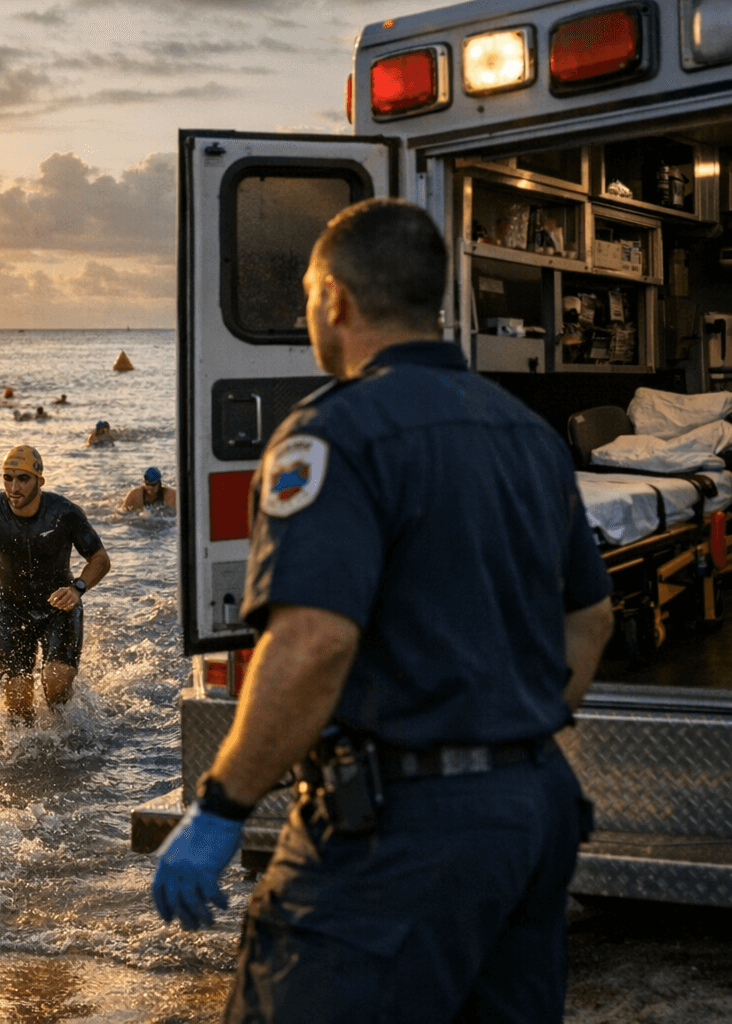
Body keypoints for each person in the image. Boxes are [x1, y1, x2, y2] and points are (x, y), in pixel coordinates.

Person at [149, 198, 616, 1022]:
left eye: (305, 296)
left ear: (334, 299)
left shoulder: (334, 434)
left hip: (396, 832)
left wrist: (221, 806)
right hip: (531, 809)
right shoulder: (528, 434)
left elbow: (313, 643)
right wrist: (502, 735)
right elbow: (592, 619)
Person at [0, 446, 110, 723]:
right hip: (12, 610)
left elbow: (100, 559)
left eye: (23, 479)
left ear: (39, 481)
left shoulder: (64, 513)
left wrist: (78, 588)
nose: (14, 487)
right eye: (8, 478)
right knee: (18, 706)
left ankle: (68, 737)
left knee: (56, 685)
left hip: (59, 609)